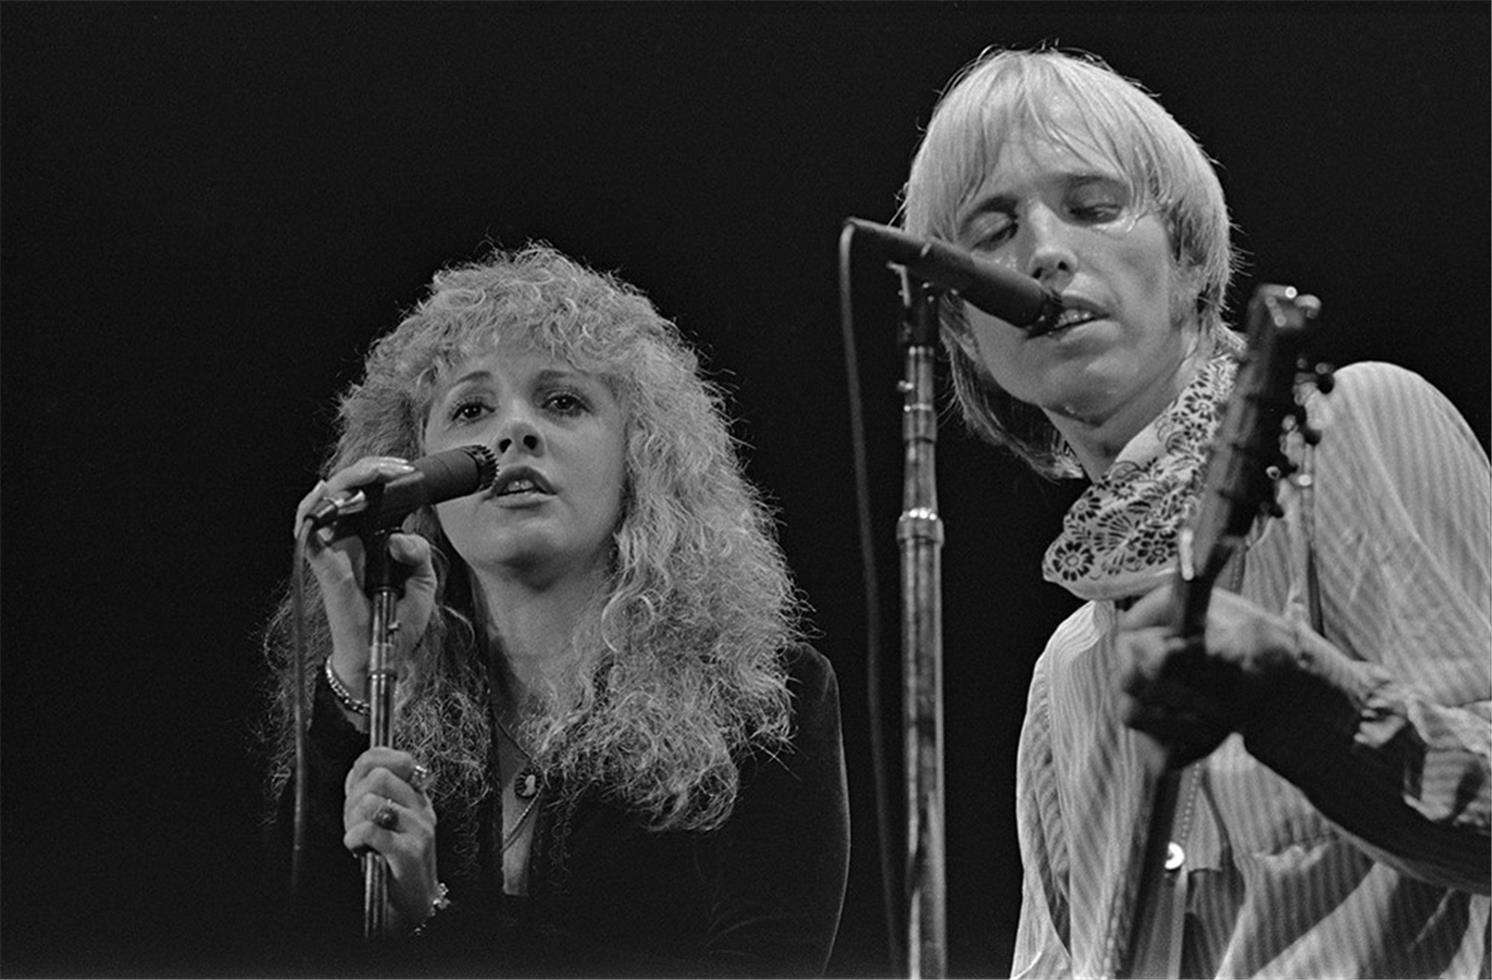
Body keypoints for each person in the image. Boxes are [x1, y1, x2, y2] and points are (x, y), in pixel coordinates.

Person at [900, 48, 1490, 977]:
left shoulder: (1360, 428)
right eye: (993, 229)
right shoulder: (1066, 678)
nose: (1044, 251)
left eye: (1093, 207)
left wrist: (1295, 693)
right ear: (966, 332)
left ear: (1185, 259)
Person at [258, 244, 850, 976]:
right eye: (471, 409)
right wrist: (354, 663)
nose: (514, 433)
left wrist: (438, 919)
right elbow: (290, 949)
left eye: (563, 402)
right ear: (415, 476)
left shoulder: (765, 700)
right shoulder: (386, 700)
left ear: (641, 458)